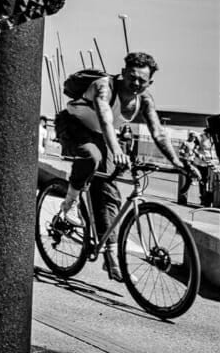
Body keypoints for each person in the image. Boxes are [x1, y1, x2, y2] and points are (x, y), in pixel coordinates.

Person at [54, 51, 200, 282]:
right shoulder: (104, 86)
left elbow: (158, 133)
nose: (136, 84)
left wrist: (177, 162)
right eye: (132, 77)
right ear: (123, 73)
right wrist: (118, 151)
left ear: (150, 82)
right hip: (73, 125)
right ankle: (69, 204)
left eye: (142, 80)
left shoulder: (145, 99)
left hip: (101, 135)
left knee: (109, 194)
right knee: (91, 157)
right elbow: (105, 119)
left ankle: (110, 257)